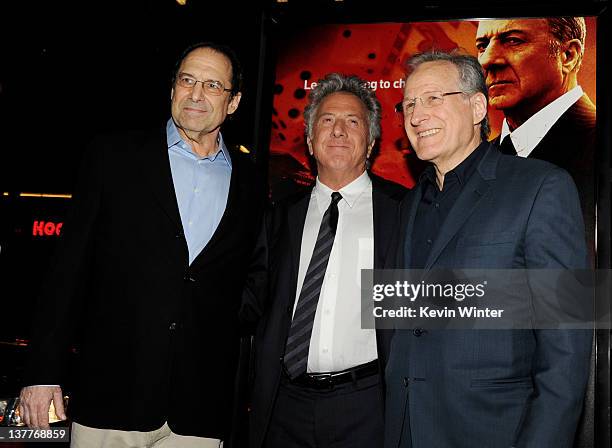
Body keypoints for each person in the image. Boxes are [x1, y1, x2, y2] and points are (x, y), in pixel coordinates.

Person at [18, 41, 265, 447]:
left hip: (200, 410)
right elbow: (66, 271)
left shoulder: (251, 182)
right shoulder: (113, 157)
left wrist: (213, 324)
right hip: (111, 399)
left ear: (234, 101)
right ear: (172, 89)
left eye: (212, 85)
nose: (196, 94)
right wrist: (43, 373)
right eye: (187, 81)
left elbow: (254, 275)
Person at [384, 50, 592, 448]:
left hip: (494, 432)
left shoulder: (542, 186)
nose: (416, 115)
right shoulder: (409, 204)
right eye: (408, 103)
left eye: (432, 99)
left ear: (478, 106)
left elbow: (568, 341)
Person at [241, 73, 406, 448]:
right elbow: (251, 302)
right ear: (310, 142)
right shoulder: (278, 217)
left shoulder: (402, 212)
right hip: (284, 404)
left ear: (371, 143)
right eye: (327, 121)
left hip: (367, 406)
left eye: (353, 121)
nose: (338, 131)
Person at [475, 18, 596, 246]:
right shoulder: (474, 164)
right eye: (482, 46)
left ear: (568, 55)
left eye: (512, 41)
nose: (488, 59)